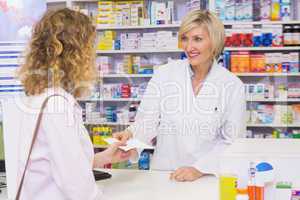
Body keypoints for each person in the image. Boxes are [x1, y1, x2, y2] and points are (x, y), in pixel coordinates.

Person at [113, 10, 246, 182]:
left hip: (207, 178)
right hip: (164, 175)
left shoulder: (232, 85)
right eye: (185, 38)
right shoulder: (164, 74)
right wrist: (130, 136)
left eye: (197, 39)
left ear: (214, 42)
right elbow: (147, 121)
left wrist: (199, 169)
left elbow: (232, 141)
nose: (189, 47)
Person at [16, 8, 131, 200]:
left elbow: (58, 161)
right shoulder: (57, 105)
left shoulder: (39, 95)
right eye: (89, 47)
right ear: (76, 53)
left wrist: (104, 157)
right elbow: (76, 186)